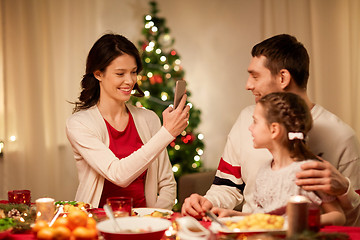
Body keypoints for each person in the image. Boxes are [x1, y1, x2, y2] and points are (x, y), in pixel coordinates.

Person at [181, 34, 360, 226]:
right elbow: (227, 187)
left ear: (283, 77)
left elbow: (351, 221)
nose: (248, 85)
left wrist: (344, 190)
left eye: (255, 76)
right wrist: (208, 202)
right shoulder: (246, 120)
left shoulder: (343, 137)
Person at [66, 33, 190, 209]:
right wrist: (166, 133)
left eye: (133, 72)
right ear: (98, 74)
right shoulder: (79, 124)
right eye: (120, 73)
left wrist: (153, 218)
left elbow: (167, 184)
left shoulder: (148, 119)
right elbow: (118, 174)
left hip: (144, 224)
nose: (130, 81)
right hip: (97, 222)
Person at [212, 92, 345, 226]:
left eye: (255, 122)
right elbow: (264, 219)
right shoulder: (264, 171)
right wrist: (235, 215)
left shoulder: (307, 171)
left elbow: (338, 216)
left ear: (274, 130)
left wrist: (303, 223)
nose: (250, 128)